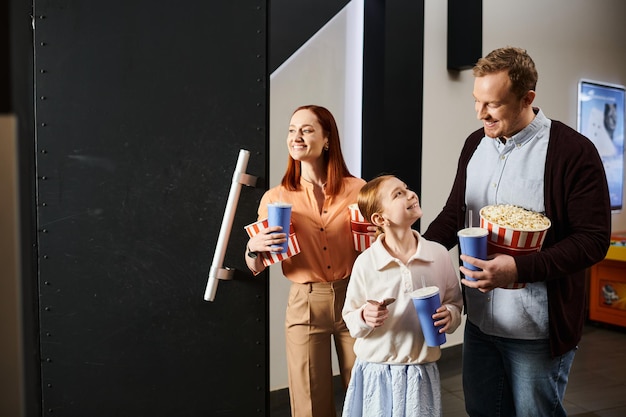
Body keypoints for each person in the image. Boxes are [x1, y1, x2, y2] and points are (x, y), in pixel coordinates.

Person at [423, 46, 612, 417]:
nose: (480, 113)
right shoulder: (474, 145)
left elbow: (592, 241)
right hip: (479, 324)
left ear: (528, 98)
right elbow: (454, 215)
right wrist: (411, 252)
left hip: (536, 333)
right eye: (476, 101)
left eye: (492, 104)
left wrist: (518, 269)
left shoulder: (573, 151)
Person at [244, 105, 366, 417]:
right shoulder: (276, 198)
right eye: (292, 130)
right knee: (309, 402)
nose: (296, 136)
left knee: (365, 394)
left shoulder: (359, 190)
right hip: (305, 304)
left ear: (327, 139)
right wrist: (253, 248)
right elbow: (257, 265)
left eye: (306, 130)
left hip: (356, 298)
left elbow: (376, 247)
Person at [341, 175, 463, 417]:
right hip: (376, 371)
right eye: (398, 194)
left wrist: (450, 315)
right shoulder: (366, 263)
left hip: (421, 369)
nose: (410, 194)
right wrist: (365, 315)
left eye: (407, 189)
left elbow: (454, 303)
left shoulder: (437, 254)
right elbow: (350, 317)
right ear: (379, 218)